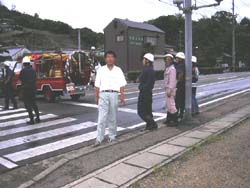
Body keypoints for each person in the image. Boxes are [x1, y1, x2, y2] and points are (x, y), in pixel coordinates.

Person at [94, 50, 127, 146]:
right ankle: (99, 138)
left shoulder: (118, 70)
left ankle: (112, 136)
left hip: (114, 94)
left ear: (114, 59)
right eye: (108, 57)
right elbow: (97, 85)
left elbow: (122, 84)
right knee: (102, 118)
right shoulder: (100, 70)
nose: (110, 58)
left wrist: (122, 97)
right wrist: (96, 97)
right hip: (103, 94)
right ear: (105, 59)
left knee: (113, 117)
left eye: (112, 57)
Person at [137, 53, 158, 130]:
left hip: (144, 93)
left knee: (141, 111)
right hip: (148, 93)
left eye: (144, 59)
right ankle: (149, 126)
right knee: (148, 111)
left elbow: (140, 80)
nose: (143, 61)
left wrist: (141, 87)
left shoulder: (146, 70)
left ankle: (153, 124)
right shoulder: (151, 69)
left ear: (147, 61)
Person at [19, 57, 40, 125]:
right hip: (33, 89)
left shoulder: (23, 71)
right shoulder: (33, 70)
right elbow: (35, 78)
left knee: (28, 105)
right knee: (34, 104)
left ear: (24, 64)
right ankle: (38, 118)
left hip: (26, 90)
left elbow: (21, 79)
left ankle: (32, 120)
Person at [163, 54, 178, 126]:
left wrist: (169, 90)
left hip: (170, 90)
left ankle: (175, 121)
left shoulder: (172, 69)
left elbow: (172, 81)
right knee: (168, 105)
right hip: (167, 89)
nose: (167, 61)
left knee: (171, 105)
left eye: (169, 60)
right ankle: (168, 120)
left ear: (172, 61)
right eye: (166, 59)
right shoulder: (168, 68)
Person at [175, 52, 186, 120]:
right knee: (182, 100)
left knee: (178, 100)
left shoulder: (180, 65)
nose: (176, 59)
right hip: (183, 85)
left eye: (177, 58)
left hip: (180, 84)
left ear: (180, 59)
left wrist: (177, 81)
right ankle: (181, 113)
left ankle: (177, 114)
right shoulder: (184, 64)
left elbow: (181, 74)